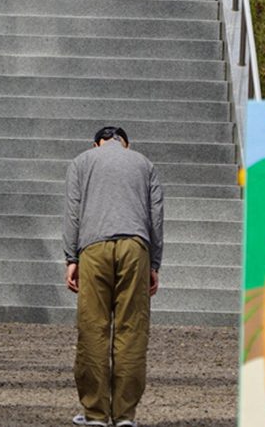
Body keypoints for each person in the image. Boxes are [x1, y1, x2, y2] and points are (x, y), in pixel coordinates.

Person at [62, 126, 164, 427]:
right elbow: (155, 215)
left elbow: (73, 212)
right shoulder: (145, 164)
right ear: (126, 145)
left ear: (97, 145)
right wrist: (154, 263)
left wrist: (71, 258)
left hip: (93, 247)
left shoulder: (82, 162)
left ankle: (95, 414)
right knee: (131, 329)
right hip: (136, 247)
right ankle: (124, 416)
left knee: (93, 327)